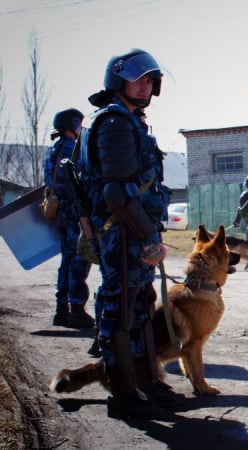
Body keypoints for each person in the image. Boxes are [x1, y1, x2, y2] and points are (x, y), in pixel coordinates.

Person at [83, 49, 182, 419]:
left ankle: (147, 383)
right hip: (123, 233)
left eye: (149, 82)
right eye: (138, 80)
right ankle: (123, 395)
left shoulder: (130, 120)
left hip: (132, 231)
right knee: (120, 310)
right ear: (118, 81)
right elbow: (116, 191)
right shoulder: (114, 123)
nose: (145, 87)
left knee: (139, 309)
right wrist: (148, 238)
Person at [44, 108, 94, 329]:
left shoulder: (52, 151)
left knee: (66, 260)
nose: (81, 128)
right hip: (75, 211)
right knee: (78, 260)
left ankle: (61, 310)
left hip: (60, 212)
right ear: (72, 124)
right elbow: (82, 179)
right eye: (79, 123)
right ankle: (77, 310)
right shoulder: (72, 149)